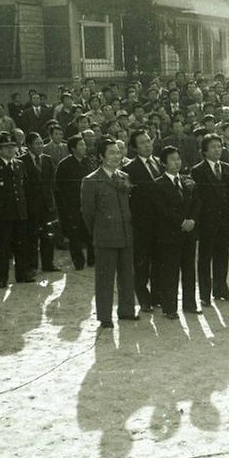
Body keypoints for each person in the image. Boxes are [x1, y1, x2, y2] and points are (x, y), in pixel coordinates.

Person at [80, 139, 138, 328]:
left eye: (118, 152)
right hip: (105, 237)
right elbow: (88, 213)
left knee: (127, 275)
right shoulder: (91, 180)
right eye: (111, 153)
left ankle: (126, 310)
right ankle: (105, 316)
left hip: (125, 234)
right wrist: (98, 232)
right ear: (101, 156)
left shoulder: (124, 176)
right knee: (105, 278)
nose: (116, 156)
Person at [191, 133, 229, 306]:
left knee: (222, 256)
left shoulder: (226, 167)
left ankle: (221, 289)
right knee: (205, 258)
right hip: (206, 222)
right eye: (213, 147)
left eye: (219, 146)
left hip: (224, 220)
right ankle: (205, 294)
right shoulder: (198, 170)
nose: (217, 150)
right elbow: (197, 199)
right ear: (204, 151)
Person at [156, 145, 201, 318]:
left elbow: (197, 202)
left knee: (189, 269)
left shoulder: (187, 181)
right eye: (172, 160)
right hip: (170, 234)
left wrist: (192, 220)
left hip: (189, 232)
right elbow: (162, 210)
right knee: (171, 272)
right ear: (164, 163)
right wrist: (181, 222)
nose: (177, 163)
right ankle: (170, 308)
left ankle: (190, 304)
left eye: (178, 159)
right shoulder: (158, 184)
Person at [0, 133, 30, 287]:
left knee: (21, 245)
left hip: (19, 212)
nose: (10, 149)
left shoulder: (20, 165)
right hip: (2, 214)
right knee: (3, 248)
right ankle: (2, 278)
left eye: (12, 146)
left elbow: (24, 188)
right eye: (6, 147)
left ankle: (21, 275)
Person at [122, 129, 164, 311]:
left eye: (148, 141)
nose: (147, 145)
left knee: (158, 261)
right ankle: (143, 297)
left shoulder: (159, 163)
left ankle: (156, 296)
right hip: (141, 224)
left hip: (160, 223)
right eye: (142, 143)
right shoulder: (128, 169)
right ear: (134, 147)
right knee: (142, 263)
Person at [20, 132, 59, 273]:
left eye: (41, 143)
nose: (40, 146)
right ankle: (32, 266)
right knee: (32, 237)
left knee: (48, 236)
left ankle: (48, 264)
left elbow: (52, 181)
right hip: (31, 205)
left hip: (47, 204)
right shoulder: (22, 161)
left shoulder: (48, 160)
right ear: (28, 145)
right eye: (36, 143)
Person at [55, 134, 94, 270]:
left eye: (84, 144)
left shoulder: (87, 161)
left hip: (87, 204)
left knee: (90, 233)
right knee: (75, 235)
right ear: (73, 149)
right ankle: (78, 262)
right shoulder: (64, 165)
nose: (84, 147)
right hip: (71, 206)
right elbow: (59, 188)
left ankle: (92, 260)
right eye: (81, 145)